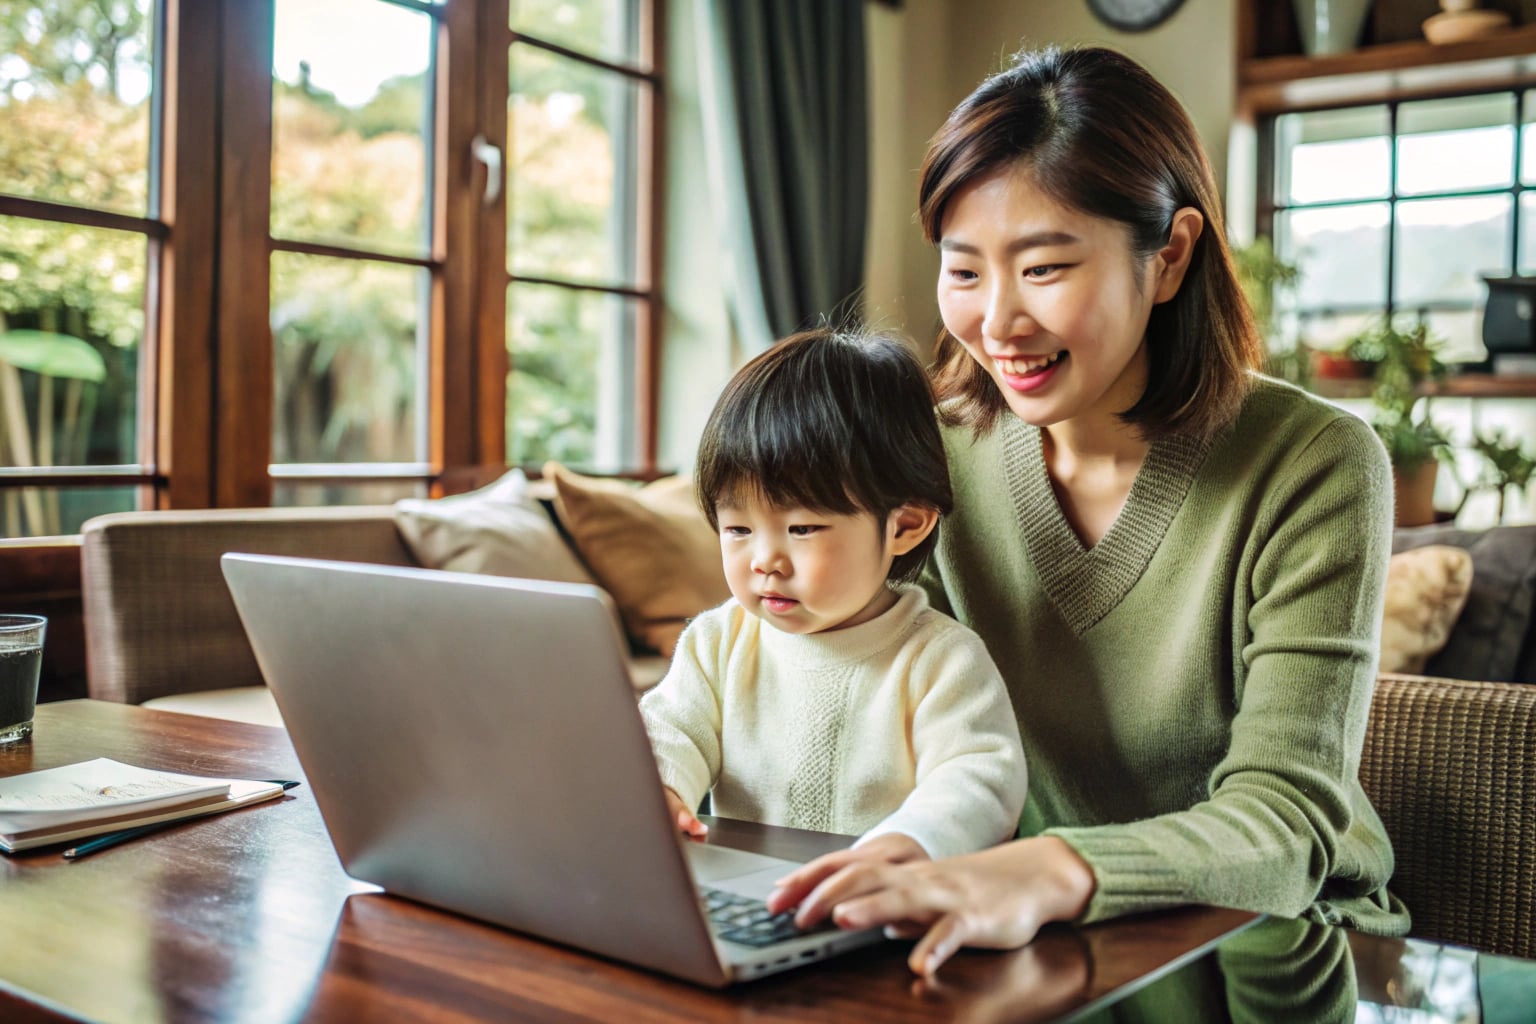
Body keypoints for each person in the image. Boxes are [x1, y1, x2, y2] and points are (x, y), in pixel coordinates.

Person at [767, 45, 1410, 975]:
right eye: (964, 272)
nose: (997, 322)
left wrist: (1047, 871)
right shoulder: (928, 456)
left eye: (1043, 268)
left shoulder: (1314, 463)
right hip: (1023, 936)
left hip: (1275, 948)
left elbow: (1287, 824)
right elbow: (869, 699)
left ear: (1170, 256)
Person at [639, 326, 1027, 866]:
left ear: (905, 526)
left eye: (801, 529)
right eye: (738, 529)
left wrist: (911, 842)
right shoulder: (719, 642)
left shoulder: (939, 659)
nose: (764, 560)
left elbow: (980, 777)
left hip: (878, 894)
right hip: (749, 889)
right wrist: (661, 789)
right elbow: (669, 730)